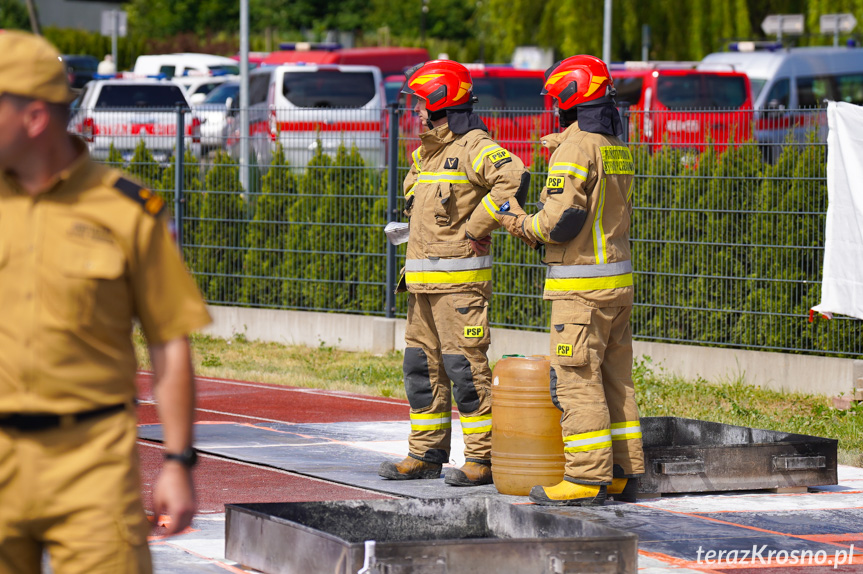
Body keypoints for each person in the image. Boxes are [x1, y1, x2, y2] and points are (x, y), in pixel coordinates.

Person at [0, 31, 212, 572]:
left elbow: (168, 341)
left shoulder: (126, 211)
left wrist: (177, 462)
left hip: (90, 465)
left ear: (34, 118)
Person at [497, 55, 644, 506]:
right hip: (615, 284)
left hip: (580, 289)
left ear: (566, 96)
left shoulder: (576, 147)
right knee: (617, 382)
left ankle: (585, 478)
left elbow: (562, 220)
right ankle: (621, 471)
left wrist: (518, 223)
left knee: (576, 381)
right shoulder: (613, 142)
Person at [378, 60, 530, 486]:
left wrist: (477, 227)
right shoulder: (426, 151)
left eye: (422, 104)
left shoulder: (475, 146)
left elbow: (514, 178)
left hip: (459, 288)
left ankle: (482, 459)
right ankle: (426, 452)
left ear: (441, 102)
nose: (417, 112)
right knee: (419, 370)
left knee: (464, 370)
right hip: (422, 285)